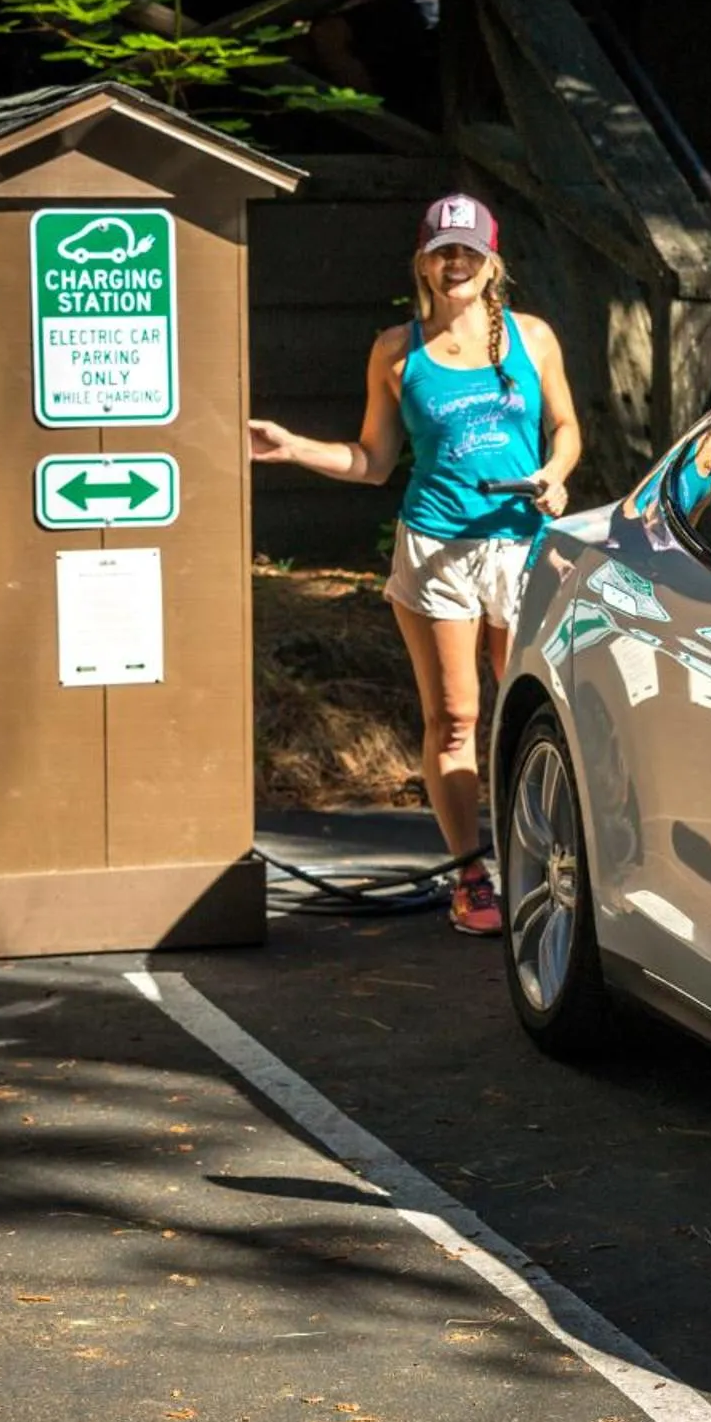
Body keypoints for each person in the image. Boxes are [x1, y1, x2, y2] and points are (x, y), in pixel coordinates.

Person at [247, 193, 582, 937]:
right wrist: (293, 447)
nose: (454, 262)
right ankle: (470, 878)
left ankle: (546, 857)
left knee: (532, 708)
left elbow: (565, 427)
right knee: (456, 717)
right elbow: (372, 461)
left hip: (521, 545)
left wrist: (557, 475)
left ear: (492, 262)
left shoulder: (532, 338)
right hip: (437, 551)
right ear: (422, 263)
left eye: (468, 251)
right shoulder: (396, 351)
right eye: (442, 250)